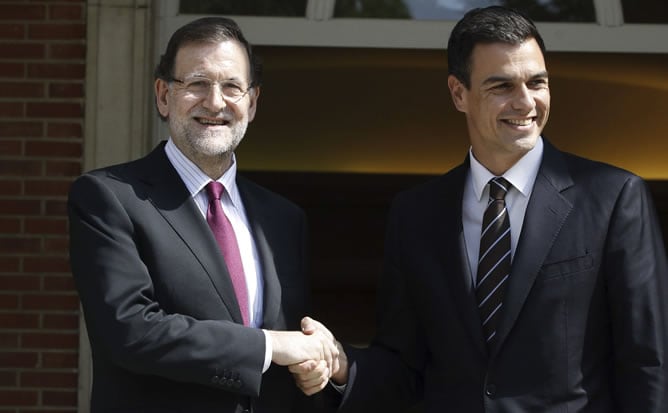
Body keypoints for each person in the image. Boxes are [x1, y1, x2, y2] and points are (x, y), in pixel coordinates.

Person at [291, 6, 668, 412]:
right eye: (501, 86)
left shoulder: (613, 198)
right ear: (458, 93)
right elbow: (404, 366)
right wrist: (345, 364)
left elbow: (648, 361)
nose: (525, 102)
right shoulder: (416, 214)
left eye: (537, 83)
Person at [68, 17, 338, 412]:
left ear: (252, 102)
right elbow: (129, 330)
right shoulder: (109, 198)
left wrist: (310, 365)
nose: (215, 102)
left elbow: (287, 349)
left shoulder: (283, 219)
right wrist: (270, 344)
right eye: (196, 83)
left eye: (231, 86)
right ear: (163, 95)